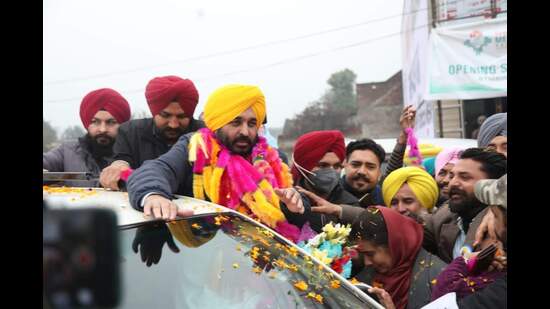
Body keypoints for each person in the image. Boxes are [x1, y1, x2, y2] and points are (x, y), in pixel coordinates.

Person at [127, 84, 305, 242]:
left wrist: (292, 206)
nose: (245, 131)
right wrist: (153, 195)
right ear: (217, 123)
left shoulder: (273, 160)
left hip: (263, 262)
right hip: (202, 253)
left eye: (252, 124)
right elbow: (157, 169)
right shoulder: (196, 148)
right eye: (236, 122)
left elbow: (296, 215)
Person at [100, 75, 204, 190]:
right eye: (165, 115)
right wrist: (118, 166)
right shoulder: (131, 132)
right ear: (154, 112)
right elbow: (122, 159)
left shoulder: (205, 135)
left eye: (182, 117)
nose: (173, 124)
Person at [351, 206, 447, 309]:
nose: (367, 263)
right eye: (362, 254)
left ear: (394, 245)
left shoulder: (440, 280)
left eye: (370, 254)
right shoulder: (370, 274)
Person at [422, 148, 507, 263]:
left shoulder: (499, 223)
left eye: (465, 177)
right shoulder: (443, 215)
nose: (452, 183)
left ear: (492, 184)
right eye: (452, 176)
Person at [43, 88, 131, 187]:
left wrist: (125, 174)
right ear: (87, 123)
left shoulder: (134, 152)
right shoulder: (68, 152)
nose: (102, 129)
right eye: (95, 122)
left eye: (111, 122)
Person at [342, 105, 416, 208]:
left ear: (379, 172)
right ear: (344, 164)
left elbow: (392, 174)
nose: (362, 171)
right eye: (356, 164)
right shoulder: (329, 196)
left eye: (370, 167)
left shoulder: (386, 199)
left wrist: (404, 137)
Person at [285, 130, 359, 232]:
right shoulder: (287, 199)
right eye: (323, 166)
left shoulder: (350, 203)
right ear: (303, 167)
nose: (332, 172)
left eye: (337, 166)